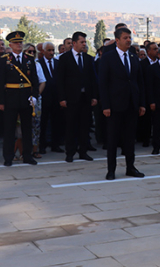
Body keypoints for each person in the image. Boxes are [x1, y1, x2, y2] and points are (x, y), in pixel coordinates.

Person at [98, 27, 146, 180]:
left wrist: (141, 103)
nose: (128, 40)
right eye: (125, 38)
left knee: (130, 138)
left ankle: (130, 167)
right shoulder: (108, 57)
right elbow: (103, 83)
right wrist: (105, 105)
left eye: (129, 37)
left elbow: (139, 82)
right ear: (117, 40)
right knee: (113, 139)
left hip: (131, 104)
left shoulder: (133, 57)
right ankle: (111, 170)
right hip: (114, 105)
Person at [0, 31, 39, 166]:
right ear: (10, 45)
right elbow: (0, 82)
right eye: (16, 43)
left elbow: (35, 80)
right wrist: (1, 101)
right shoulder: (4, 60)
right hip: (10, 98)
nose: (19, 45)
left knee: (27, 129)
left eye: (20, 42)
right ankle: (8, 157)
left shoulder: (29, 59)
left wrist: (35, 96)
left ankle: (27, 155)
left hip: (25, 97)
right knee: (9, 129)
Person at [56, 32, 98, 163]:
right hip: (71, 99)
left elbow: (93, 79)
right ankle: (70, 152)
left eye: (85, 42)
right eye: (82, 42)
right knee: (71, 126)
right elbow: (60, 80)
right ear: (74, 43)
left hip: (85, 98)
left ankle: (83, 151)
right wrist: (61, 98)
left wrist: (94, 96)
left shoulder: (88, 59)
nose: (84, 44)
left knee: (84, 126)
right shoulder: (64, 59)